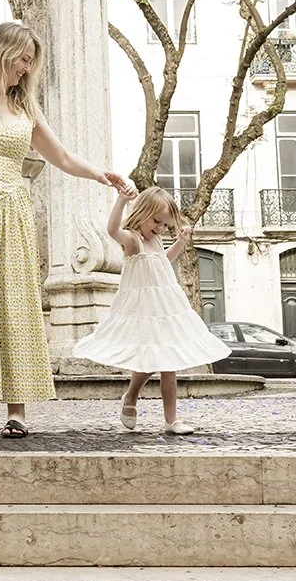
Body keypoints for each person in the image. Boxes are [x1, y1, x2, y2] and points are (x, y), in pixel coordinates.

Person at [0, 21, 134, 440]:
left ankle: (17, 410)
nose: (26, 69)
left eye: (30, 62)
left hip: (12, 212)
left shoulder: (25, 106)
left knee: (15, 302)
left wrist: (103, 175)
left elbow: (59, 155)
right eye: (23, 59)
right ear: (2, 51)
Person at [74, 186, 232, 435]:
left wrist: (179, 242)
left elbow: (163, 260)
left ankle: (171, 420)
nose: (160, 228)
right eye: (157, 221)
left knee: (169, 362)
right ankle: (131, 396)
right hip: (142, 311)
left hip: (166, 307)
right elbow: (112, 230)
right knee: (147, 359)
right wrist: (121, 200)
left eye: (165, 225)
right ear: (143, 211)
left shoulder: (156, 239)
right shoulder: (133, 240)